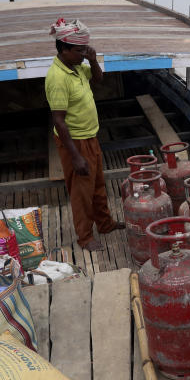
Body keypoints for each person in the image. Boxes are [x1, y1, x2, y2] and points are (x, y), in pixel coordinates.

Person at [45, 17, 124, 252]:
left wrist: (92, 59)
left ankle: (105, 224)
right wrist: (75, 156)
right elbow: (59, 121)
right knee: (81, 192)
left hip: (91, 137)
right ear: (64, 49)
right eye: (79, 50)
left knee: (98, 184)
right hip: (75, 142)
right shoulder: (57, 78)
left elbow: (98, 79)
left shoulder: (77, 66)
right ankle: (85, 237)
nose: (83, 53)